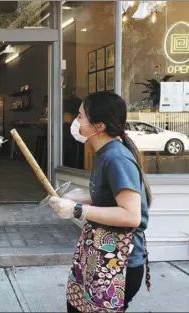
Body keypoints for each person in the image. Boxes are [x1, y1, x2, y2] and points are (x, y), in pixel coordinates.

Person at [49, 91, 151, 312]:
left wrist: (79, 209)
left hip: (119, 262)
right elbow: (109, 201)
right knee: (76, 306)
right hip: (99, 252)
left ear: (99, 126)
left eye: (81, 116)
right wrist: (76, 200)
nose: (75, 122)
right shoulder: (104, 153)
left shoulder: (116, 158)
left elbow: (130, 215)